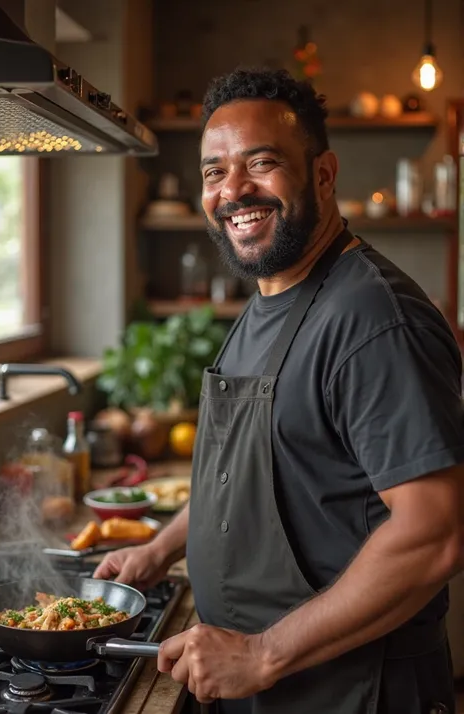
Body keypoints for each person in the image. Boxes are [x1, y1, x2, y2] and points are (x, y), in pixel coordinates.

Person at [95, 67, 464, 714]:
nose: (233, 190)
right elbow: (253, 470)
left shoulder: (371, 321)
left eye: (260, 163)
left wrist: (262, 654)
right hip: (274, 686)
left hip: (353, 690)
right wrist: (160, 548)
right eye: (214, 172)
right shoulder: (273, 295)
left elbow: (436, 533)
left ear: (323, 175)